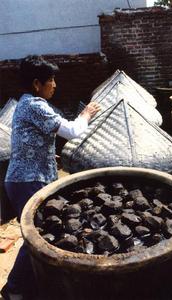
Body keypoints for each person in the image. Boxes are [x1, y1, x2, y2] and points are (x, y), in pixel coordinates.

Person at [1, 55, 101, 300]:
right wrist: (86, 113)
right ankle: (14, 289)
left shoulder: (26, 103)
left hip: (28, 177)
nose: (55, 84)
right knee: (35, 237)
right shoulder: (35, 105)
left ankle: (28, 284)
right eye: (51, 80)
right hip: (28, 180)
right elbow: (72, 131)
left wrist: (48, 157)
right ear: (37, 84)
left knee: (37, 234)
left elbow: (29, 142)